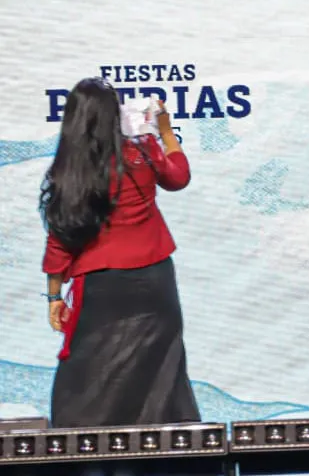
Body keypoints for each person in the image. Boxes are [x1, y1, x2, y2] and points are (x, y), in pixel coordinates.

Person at [41, 77, 199, 428]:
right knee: (162, 366)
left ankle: (80, 451)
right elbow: (178, 177)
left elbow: (60, 240)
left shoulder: (69, 171)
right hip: (155, 281)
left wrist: (53, 297)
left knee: (88, 372)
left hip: (100, 288)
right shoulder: (141, 151)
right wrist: (165, 130)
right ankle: (172, 452)